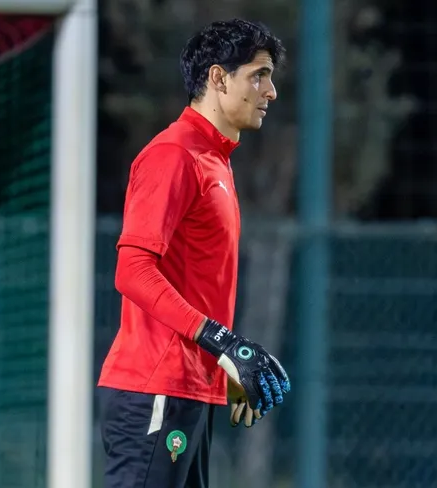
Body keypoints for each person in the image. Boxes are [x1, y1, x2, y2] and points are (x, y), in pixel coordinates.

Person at [97, 19, 291, 488]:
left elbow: (195, 283)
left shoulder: (214, 160)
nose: (271, 92)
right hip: (155, 388)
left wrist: (223, 361)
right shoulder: (174, 154)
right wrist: (224, 344)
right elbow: (132, 270)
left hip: (189, 390)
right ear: (218, 78)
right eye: (259, 76)